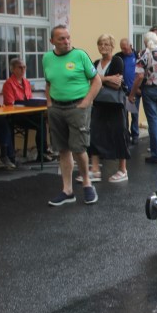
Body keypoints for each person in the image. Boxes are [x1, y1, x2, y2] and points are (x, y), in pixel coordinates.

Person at [44, 25, 102, 206]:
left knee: (79, 148)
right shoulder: (47, 58)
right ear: (52, 41)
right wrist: (49, 103)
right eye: (61, 38)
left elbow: (96, 81)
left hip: (77, 107)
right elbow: (48, 82)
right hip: (57, 108)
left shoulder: (80, 55)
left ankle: (87, 183)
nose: (66, 41)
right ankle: (67, 190)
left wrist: (86, 103)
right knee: (62, 149)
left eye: (68, 37)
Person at [84, 34, 130, 183]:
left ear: (112, 46)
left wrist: (99, 80)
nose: (103, 47)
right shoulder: (96, 62)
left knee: (119, 134)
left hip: (115, 105)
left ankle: (123, 170)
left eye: (106, 44)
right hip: (99, 104)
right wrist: (107, 79)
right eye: (100, 44)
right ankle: (95, 169)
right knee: (95, 134)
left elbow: (117, 84)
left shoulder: (117, 61)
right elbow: (89, 80)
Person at [129, 31, 157, 164]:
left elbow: (139, 76)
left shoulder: (143, 54)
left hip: (150, 89)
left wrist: (132, 93)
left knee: (153, 121)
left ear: (145, 41)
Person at [2, 57, 52, 162]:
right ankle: (42, 152)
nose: (23, 69)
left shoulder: (26, 82)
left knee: (43, 120)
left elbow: (29, 99)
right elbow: (10, 103)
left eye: (24, 67)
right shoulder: (9, 83)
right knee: (41, 121)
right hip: (16, 116)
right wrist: (25, 104)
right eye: (19, 67)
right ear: (13, 69)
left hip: (28, 113)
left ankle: (43, 152)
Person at [115, 37, 139, 145]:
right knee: (124, 114)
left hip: (135, 90)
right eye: (122, 49)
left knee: (134, 113)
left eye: (125, 48)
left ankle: (135, 134)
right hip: (123, 90)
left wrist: (140, 88)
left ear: (130, 46)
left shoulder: (138, 55)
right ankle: (126, 135)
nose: (124, 51)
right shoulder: (119, 57)